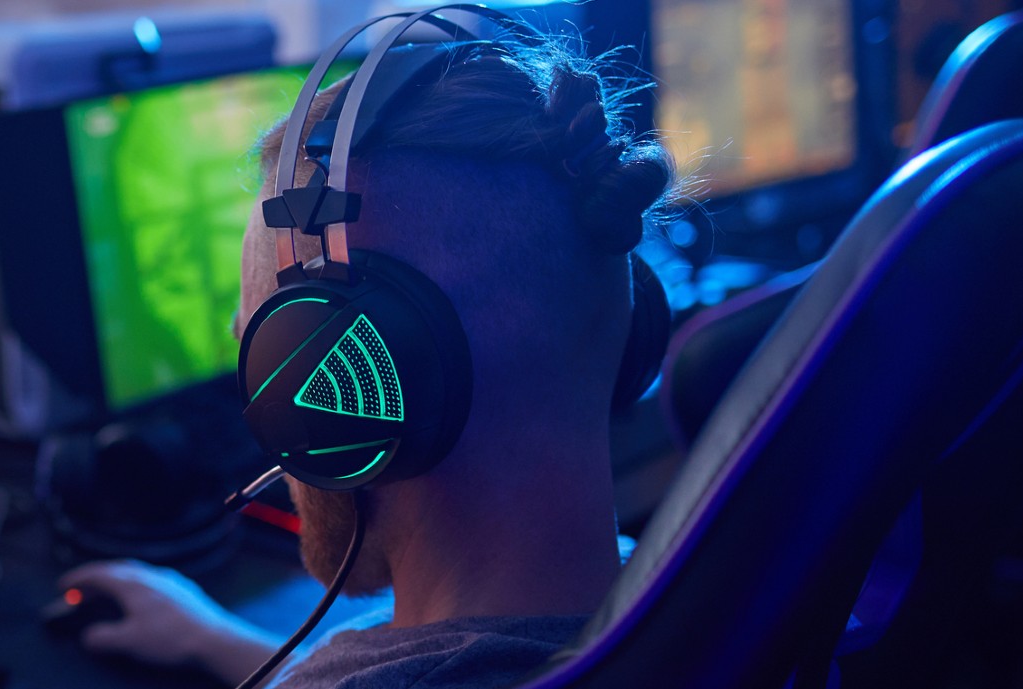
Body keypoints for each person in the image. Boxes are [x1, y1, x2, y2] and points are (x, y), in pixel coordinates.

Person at [59, 29, 678, 689]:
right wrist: (215, 639)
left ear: (336, 397)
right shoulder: (680, 584)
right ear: (629, 328)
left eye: (261, 351)